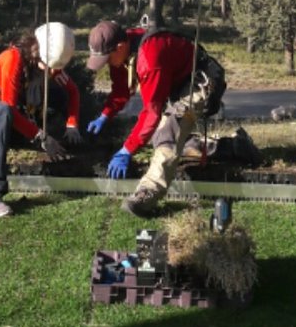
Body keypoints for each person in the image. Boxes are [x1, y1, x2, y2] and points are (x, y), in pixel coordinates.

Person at [85, 19, 227, 218]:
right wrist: (104, 115)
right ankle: (225, 146)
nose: (106, 64)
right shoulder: (121, 50)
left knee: (167, 131)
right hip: (174, 79)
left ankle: (148, 194)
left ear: (120, 47)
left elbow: (151, 113)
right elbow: (121, 90)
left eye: (107, 59)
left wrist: (127, 149)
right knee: (160, 135)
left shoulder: (149, 59)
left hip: (196, 80)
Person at [0, 22, 74, 218]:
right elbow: (8, 109)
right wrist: (41, 136)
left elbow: (71, 91)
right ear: (38, 50)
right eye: (47, 64)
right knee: (2, 111)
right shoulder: (13, 58)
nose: (49, 71)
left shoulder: (33, 62)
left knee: (14, 117)